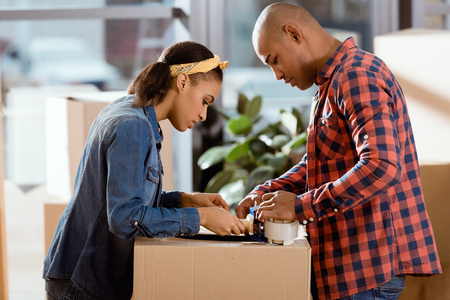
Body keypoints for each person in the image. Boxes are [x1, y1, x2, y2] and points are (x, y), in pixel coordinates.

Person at [235, 3, 442, 300]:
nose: (277, 74)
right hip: (349, 273)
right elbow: (319, 164)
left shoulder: (356, 75)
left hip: (365, 273)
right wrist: (269, 191)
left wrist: (299, 207)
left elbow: (381, 166)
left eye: (274, 60)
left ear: (294, 34)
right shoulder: (330, 83)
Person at [43, 41, 246, 300]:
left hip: (82, 278)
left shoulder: (131, 111)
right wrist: (201, 217)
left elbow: (129, 199)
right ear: (182, 82)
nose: (204, 114)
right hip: (82, 284)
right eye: (205, 101)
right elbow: (126, 218)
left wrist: (186, 200)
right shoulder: (133, 127)